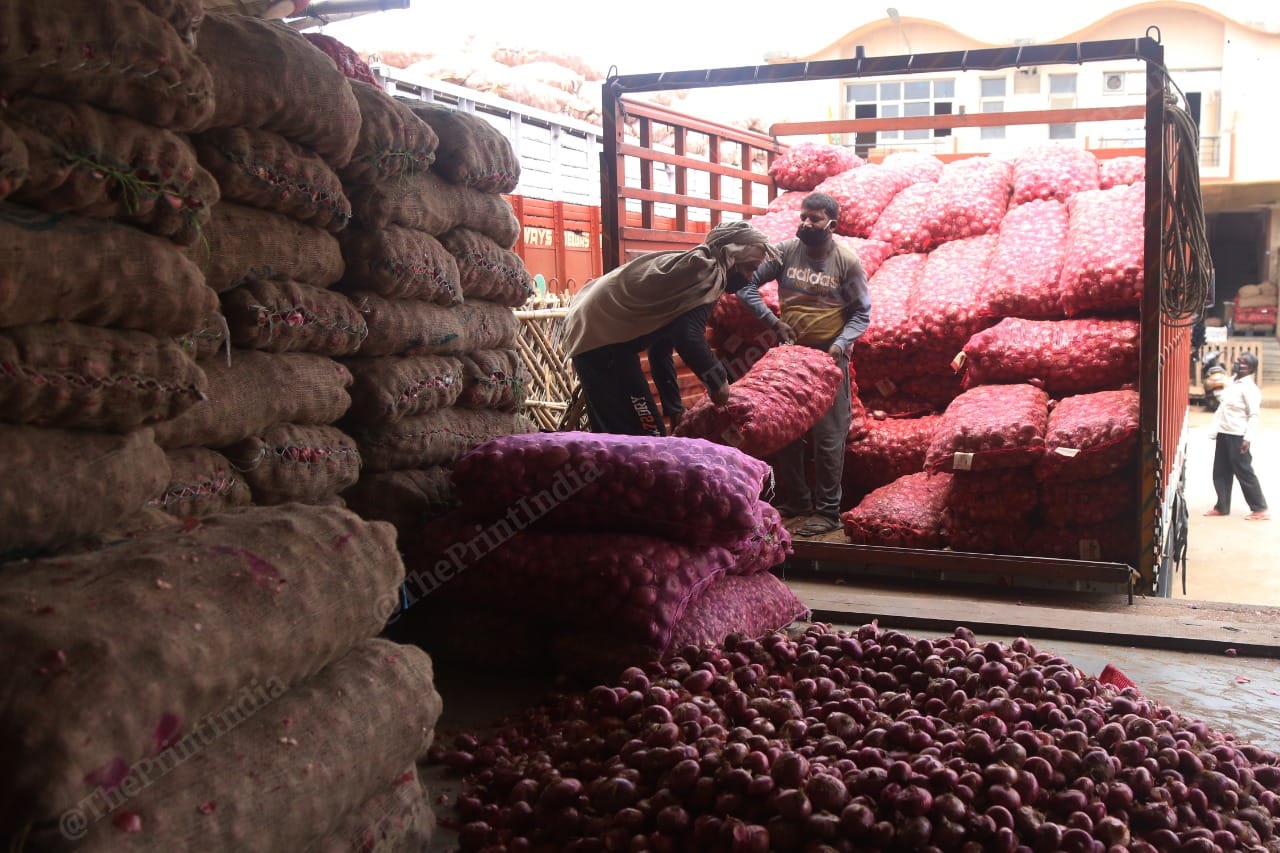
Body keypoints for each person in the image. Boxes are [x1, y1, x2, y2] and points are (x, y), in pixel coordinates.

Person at [735, 191, 871, 536]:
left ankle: (828, 511)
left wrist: (841, 345)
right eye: (804, 216)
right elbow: (745, 287)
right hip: (791, 358)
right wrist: (773, 322)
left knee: (828, 436)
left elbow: (861, 314)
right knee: (787, 433)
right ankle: (796, 500)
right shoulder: (783, 253)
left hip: (828, 360)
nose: (806, 223)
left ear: (832, 225)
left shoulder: (847, 261)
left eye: (815, 218)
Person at [564, 220, 778, 436]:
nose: (751, 278)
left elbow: (660, 346)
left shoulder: (692, 268)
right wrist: (719, 383)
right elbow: (689, 337)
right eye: (750, 268)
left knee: (617, 432)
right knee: (647, 434)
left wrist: (674, 407)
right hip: (602, 338)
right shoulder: (707, 274)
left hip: (593, 330)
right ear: (732, 258)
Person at [1204, 351, 1269, 520]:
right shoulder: (1232, 382)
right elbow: (1223, 406)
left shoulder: (1250, 389)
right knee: (1221, 471)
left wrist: (1248, 438)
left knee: (1244, 471)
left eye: (1244, 363)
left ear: (1251, 369)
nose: (1238, 364)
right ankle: (1222, 506)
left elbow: (1254, 415)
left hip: (1238, 436)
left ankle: (1260, 509)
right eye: (1238, 361)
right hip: (1224, 432)